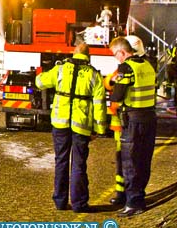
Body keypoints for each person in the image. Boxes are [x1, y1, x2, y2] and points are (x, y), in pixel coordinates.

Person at [36, 42, 107, 212]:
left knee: (61, 160)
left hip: (60, 123)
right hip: (81, 126)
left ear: (74, 53)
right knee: (79, 164)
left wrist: (41, 73)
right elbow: (99, 105)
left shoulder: (61, 69)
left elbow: (40, 83)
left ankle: (60, 202)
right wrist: (99, 129)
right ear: (88, 56)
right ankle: (79, 204)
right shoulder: (94, 75)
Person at [109, 36, 157, 217]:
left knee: (130, 162)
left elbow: (117, 96)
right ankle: (140, 197)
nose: (116, 59)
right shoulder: (148, 65)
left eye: (116, 55)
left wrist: (113, 84)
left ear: (123, 52)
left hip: (133, 120)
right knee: (144, 160)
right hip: (150, 118)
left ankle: (133, 203)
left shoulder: (126, 68)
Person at [103, 34, 146, 206]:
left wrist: (114, 83)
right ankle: (125, 192)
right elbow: (108, 81)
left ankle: (127, 195)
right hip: (126, 121)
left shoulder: (128, 68)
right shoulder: (140, 67)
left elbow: (115, 91)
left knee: (127, 160)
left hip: (127, 121)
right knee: (126, 159)